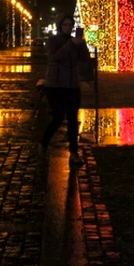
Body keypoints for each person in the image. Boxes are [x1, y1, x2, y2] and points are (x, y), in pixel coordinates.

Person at [39, 14, 90, 165]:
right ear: (60, 26)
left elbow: (85, 59)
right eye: (65, 25)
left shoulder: (76, 41)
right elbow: (54, 57)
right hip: (55, 85)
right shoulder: (53, 40)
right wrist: (71, 45)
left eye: (70, 25)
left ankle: (74, 152)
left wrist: (81, 44)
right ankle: (44, 142)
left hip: (72, 85)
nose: (68, 27)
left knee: (73, 120)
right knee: (58, 116)